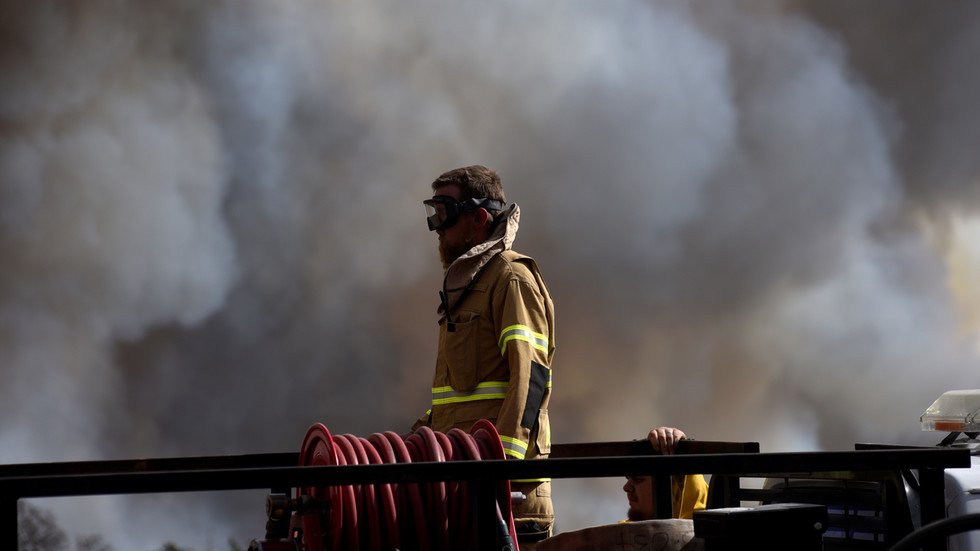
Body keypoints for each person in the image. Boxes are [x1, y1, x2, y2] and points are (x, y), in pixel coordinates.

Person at [413, 165, 557, 543]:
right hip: (461, 487)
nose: (437, 228)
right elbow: (461, 396)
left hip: (506, 502)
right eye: (434, 214)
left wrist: (501, 465)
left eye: (445, 213)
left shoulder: (511, 279)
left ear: (479, 217)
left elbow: (532, 378)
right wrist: (420, 439)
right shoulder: (466, 288)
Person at [623, 427, 709, 521]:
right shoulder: (617, 533)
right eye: (628, 477)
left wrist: (680, 447)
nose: (626, 488)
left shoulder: (718, 533)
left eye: (638, 479)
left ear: (675, 490)